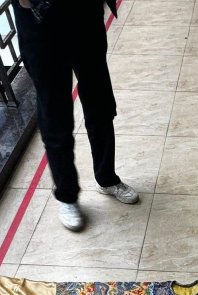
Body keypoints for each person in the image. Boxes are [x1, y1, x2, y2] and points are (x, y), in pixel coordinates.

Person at [14, 0, 138, 232]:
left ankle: (107, 178)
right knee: (55, 114)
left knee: (99, 100)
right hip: (40, 21)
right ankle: (67, 196)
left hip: (84, 11)